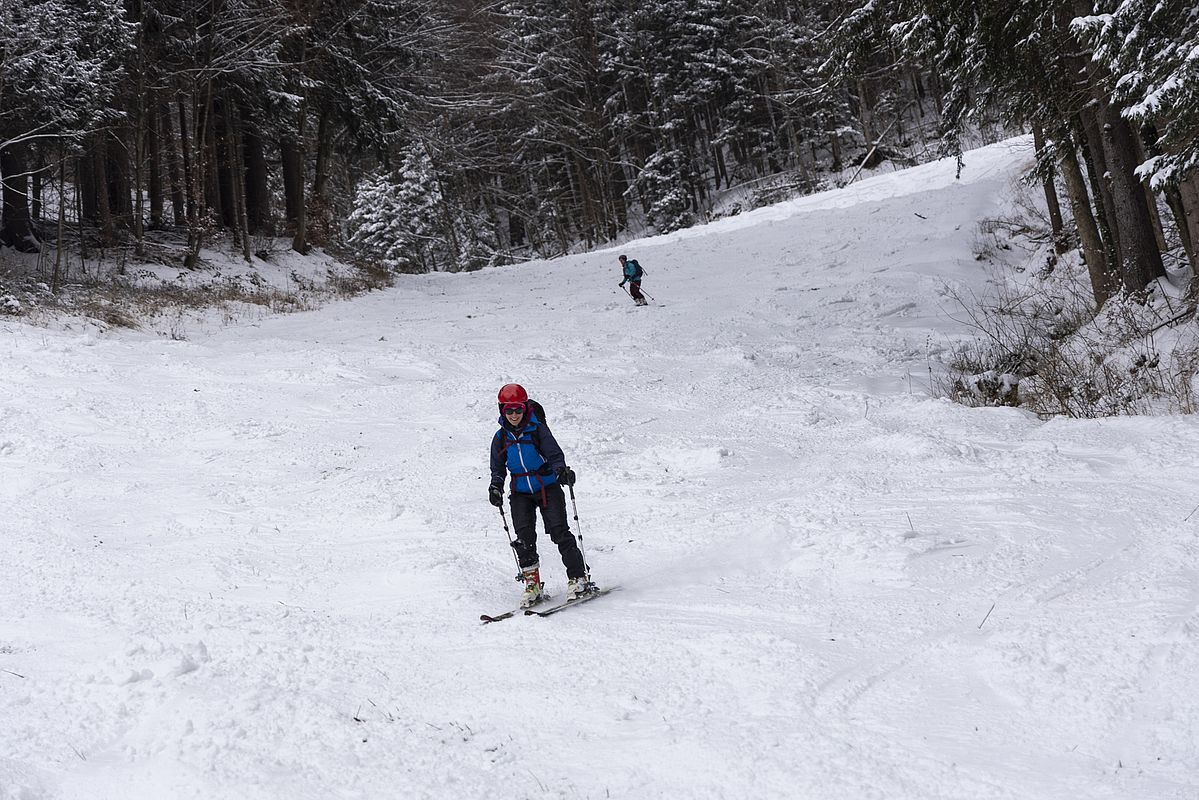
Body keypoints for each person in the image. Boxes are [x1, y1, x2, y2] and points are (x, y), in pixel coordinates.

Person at [488, 383, 591, 607]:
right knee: (524, 538)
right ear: (502, 410)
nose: (514, 414)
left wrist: (561, 471)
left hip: (547, 487)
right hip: (520, 492)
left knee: (559, 532)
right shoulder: (501, 437)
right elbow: (497, 468)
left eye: (518, 409)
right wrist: (496, 486)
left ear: (525, 408)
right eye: (508, 410)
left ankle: (578, 577)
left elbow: (555, 455)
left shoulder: (538, 430)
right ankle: (532, 584)